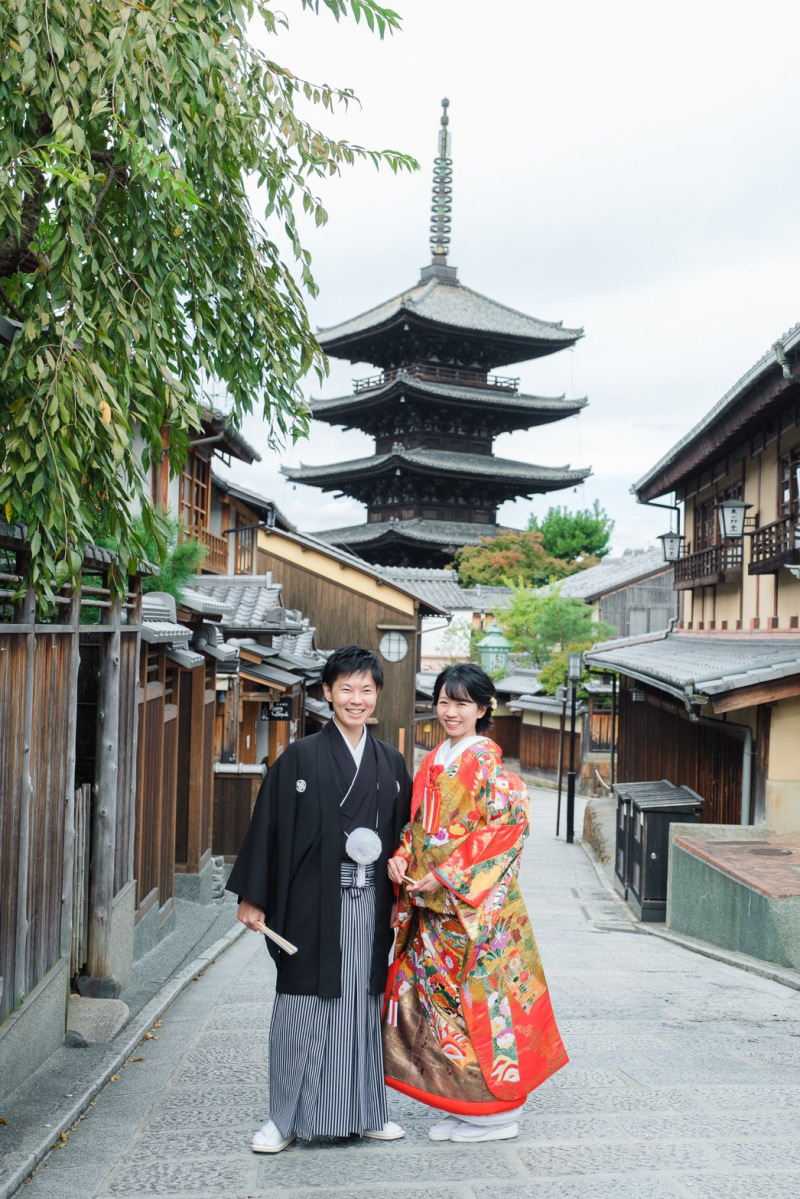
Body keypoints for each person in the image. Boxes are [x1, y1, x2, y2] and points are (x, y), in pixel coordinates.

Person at [227, 645, 412, 1153]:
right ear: (327, 692)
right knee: (302, 1004)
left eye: (366, 690)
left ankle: (366, 1110)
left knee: (362, 1005)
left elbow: (406, 838)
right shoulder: (300, 758)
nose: (356, 699)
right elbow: (269, 827)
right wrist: (253, 896)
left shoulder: (391, 763)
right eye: (346, 688)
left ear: (377, 695)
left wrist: (400, 893)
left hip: (370, 903)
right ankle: (283, 1117)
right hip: (311, 904)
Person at [383, 662, 568, 1143]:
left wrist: (448, 874)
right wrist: (402, 857)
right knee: (441, 1009)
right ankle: (465, 1104)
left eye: (462, 703)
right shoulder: (435, 757)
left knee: (477, 1008)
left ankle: (497, 1112)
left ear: (484, 709)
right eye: (444, 701)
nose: (450, 711)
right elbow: (418, 828)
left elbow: (509, 826)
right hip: (432, 909)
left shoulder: (484, 760)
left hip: (472, 911)